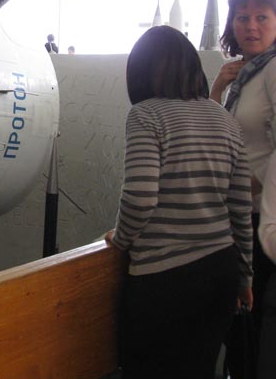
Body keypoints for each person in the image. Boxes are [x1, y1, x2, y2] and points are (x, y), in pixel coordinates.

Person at [105, 25, 253, 379]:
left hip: (164, 279)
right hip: (220, 272)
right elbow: (240, 207)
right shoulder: (225, 120)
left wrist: (120, 239)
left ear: (141, 72)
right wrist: (245, 274)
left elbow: (140, 198)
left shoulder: (146, 115)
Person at [209, 0, 276, 377]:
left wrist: (252, 183)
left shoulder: (273, 70)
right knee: (238, 325)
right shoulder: (243, 75)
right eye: (243, 17)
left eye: (262, 17)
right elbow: (214, 133)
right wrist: (218, 87)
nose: (251, 26)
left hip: (260, 218)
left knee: (252, 328)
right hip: (237, 216)